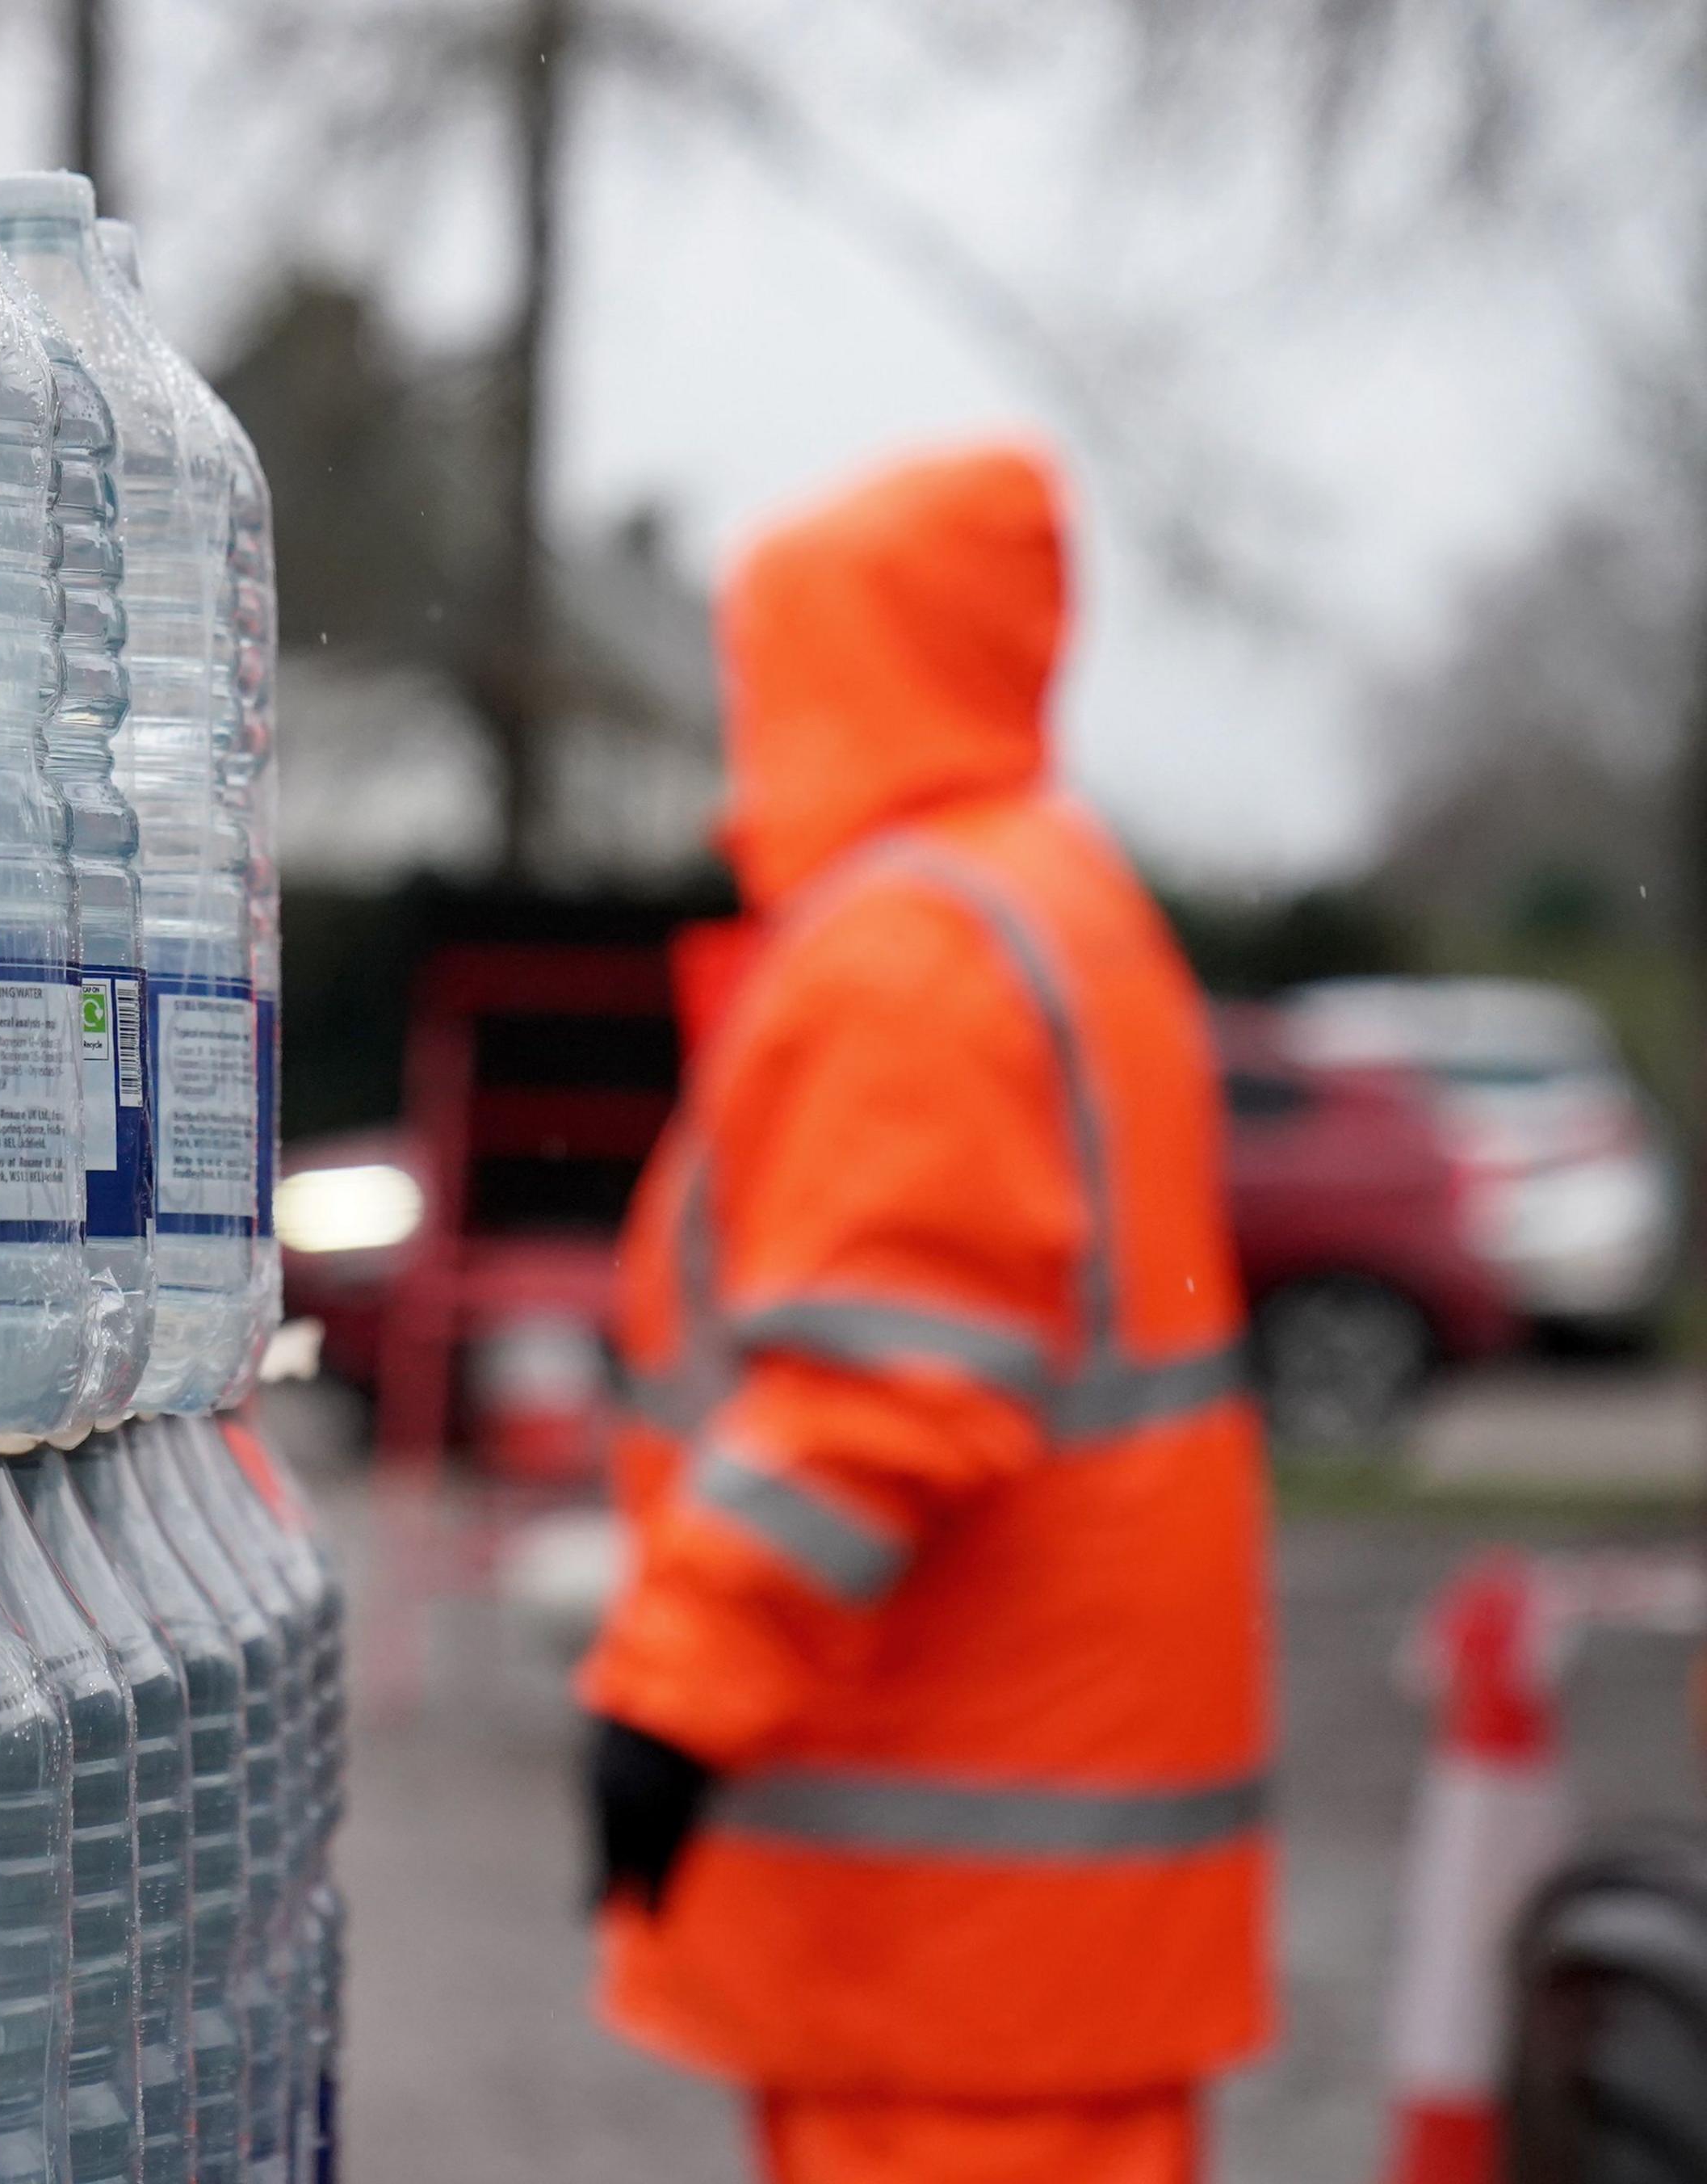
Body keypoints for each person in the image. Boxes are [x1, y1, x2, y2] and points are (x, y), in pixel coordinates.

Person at [577, 440, 1273, 2184]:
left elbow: (878, 1393)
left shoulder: (914, 951)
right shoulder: (1048, 901)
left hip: (954, 1915)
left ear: (829, 674)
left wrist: (671, 1697)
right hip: (1035, 1896)